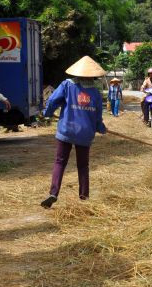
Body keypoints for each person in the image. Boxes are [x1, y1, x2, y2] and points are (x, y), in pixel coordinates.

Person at [40, 56, 106, 209]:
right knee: (83, 165)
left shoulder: (67, 85)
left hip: (66, 131)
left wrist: (47, 113)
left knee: (60, 162)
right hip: (85, 133)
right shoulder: (95, 93)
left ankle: (53, 193)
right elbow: (97, 118)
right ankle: (84, 196)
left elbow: (52, 102)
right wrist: (101, 128)